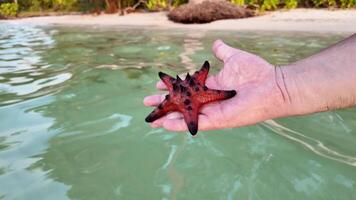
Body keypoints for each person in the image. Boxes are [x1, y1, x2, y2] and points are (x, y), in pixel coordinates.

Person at [143, 34, 356, 132]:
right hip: (187, 96)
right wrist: (282, 85)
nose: (171, 82)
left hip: (187, 97)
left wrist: (281, 86)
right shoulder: (189, 89)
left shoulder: (193, 89)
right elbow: (174, 79)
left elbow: (199, 79)